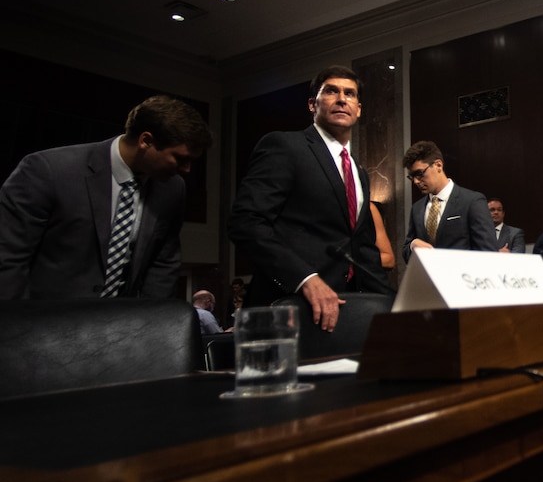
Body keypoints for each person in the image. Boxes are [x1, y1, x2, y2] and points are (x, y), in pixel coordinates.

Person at [0, 94, 211, 299]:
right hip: (45, 323)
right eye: (181, 159)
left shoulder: (173, 189)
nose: (187, 170)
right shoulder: (49, 170)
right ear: (146, 141)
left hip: (120, 326)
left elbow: (163, 264)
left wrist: (150, 326)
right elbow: (8, 258)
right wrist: (20, 327)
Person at [229, 66, 388, 333]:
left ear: (358, 109)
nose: (341, 99)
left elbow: (363, 250)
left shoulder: (359, 172)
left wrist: (394, 304)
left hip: (348, 312)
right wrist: (304, 278)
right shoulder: (284, 146)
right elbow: (246, 222)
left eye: (349, 94)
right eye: (331, 92)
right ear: (313, 104)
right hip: (288, 306)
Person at [402, 140, 498, 260]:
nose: (416, 181)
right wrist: (412, 245)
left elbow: (488, 253)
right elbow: (406, 250)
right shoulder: (417, 208)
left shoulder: (472, 201)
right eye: (412, 177)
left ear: (438, 165)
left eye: (419, 173)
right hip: (426, 277)